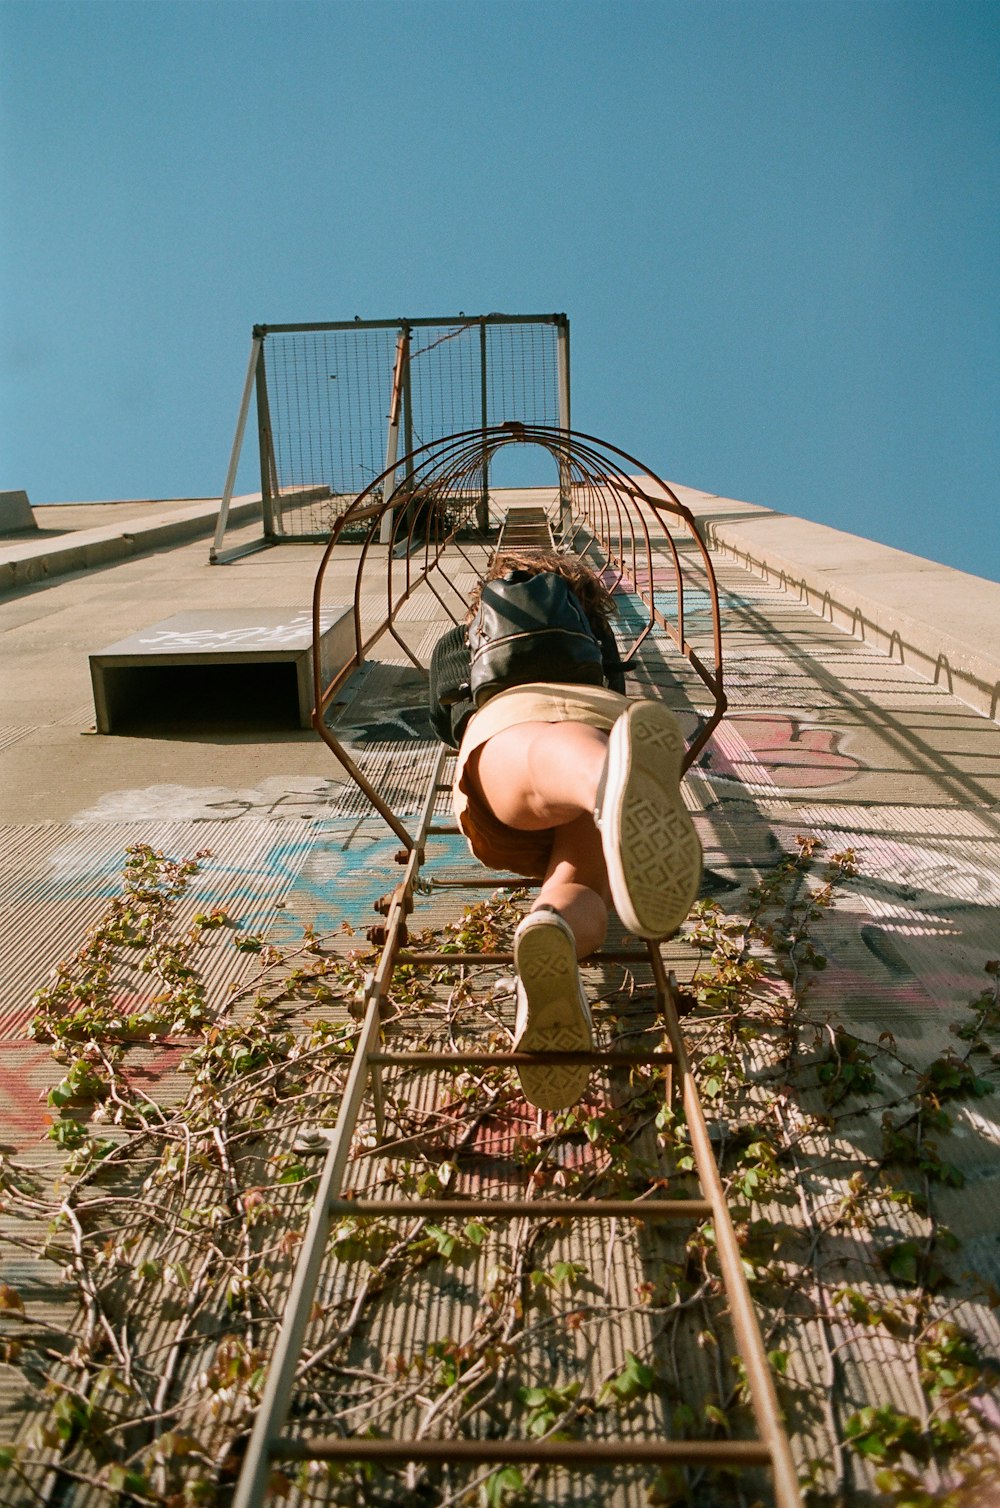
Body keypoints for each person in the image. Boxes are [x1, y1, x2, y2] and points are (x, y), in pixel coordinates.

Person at [429, 550, 702, 1112]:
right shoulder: (592, 627)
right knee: (582, 882)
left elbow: (447, 715)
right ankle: (604, 799)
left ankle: (607, 797)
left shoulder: (461, 637)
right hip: (604, 721)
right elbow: (610, 674)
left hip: (509, 736)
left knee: (537, 752)